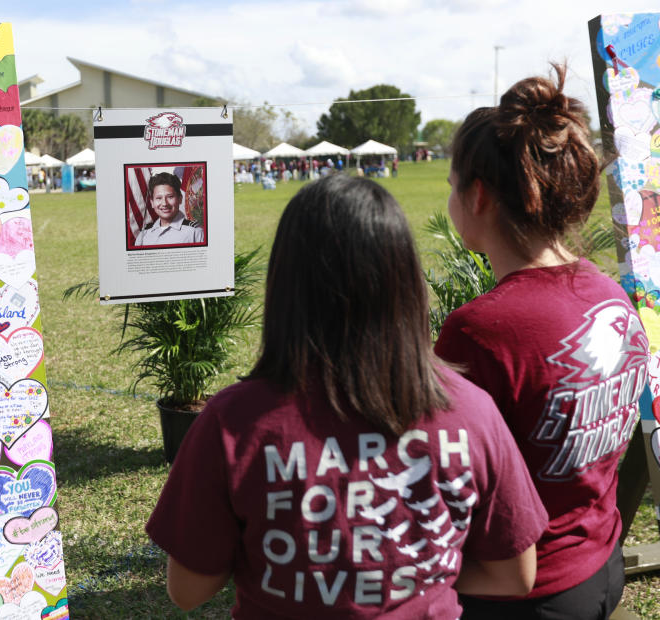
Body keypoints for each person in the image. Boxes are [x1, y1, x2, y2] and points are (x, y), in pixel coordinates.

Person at [147, 175, 548, 618]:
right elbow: (514, 574)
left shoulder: (232, 422)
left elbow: (188, 589)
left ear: (285, 285)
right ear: (405, 281)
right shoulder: (472, 413)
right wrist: (410, 577)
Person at [435, 64, 648, 620]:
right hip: (602, 565)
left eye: (452, 186)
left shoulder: (479, 330)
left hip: (518, 594)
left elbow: (436, 479)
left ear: (477, 196)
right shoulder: (610, 296)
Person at [134, 172, 204, 246]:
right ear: (152, 203)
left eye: (170, 197)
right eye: (159, 198)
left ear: (180, 199)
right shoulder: (143, 235)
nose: (164, 203)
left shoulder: (195, 232)